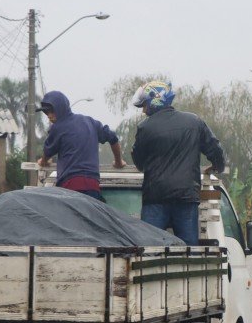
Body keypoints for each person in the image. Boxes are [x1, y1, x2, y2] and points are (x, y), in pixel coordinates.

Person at [130, 80, 225, 245]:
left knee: (150, 251)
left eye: (144, 105)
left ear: (155, 101)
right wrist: (218, 166)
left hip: (155, 198)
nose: (144, 110)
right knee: (189, 252)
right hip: (186, 197)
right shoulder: (194, 122)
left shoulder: (145, 128)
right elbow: (215, 148)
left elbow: (139, 162)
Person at [37, 90, 126, 200]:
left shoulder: (58, 127)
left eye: (51, 111)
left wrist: (43, 161)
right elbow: (112, 137)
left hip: (70, 187)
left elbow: (47, 152)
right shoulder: (91, 122)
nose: (49, 116)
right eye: (46, 113)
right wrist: (118, 161)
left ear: (60, 108)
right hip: (92, 186)